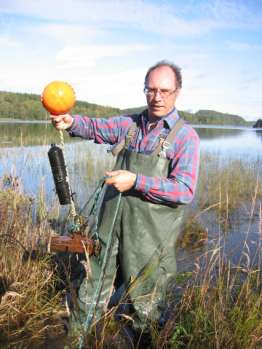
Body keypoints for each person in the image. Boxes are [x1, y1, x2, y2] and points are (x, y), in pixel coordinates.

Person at [50, 60, 200, 333]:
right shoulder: (129, 125)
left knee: (146, 299)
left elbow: (184, 190)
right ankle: (77, 333)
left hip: (150, 235)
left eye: (165, 91)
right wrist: (71, 122)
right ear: (144, 90)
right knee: (94, 279)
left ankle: (144, 336)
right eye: (151, 89)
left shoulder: (185, 138)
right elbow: (96, 128)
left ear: (177, 92)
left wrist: (137, 181)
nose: (157, 97)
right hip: (110, 224)